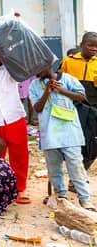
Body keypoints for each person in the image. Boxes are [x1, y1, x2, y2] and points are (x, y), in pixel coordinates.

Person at [29, 67, 96, 211]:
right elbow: (38, 108)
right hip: (49, 133)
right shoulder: (34, 85)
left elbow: (81, 96)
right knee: (54, 168)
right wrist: (47, 91)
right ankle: (61, 196)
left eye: (38, 67)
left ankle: (85, 199)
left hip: (70, 131)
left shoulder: (67, 79)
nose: (35, 72)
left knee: (76, 166)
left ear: (47, 64)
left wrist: (61, 91)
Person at [0, 48, 29, 204]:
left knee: (19, 154)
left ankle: (20, 189)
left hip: (14, 117)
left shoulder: (11, 71)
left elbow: (20, 65)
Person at [58, 32, 97, 105]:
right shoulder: (68, 61)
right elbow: (59, 81)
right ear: (81, 44)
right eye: (90, 45)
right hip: (71, 102)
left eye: (96, 46)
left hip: (93, 104)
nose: (94, 49)